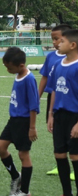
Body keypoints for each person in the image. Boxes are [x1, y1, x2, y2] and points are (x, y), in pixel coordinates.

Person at [0, 47, 39, 196]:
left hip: (24, 121)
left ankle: (25, 191)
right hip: (13, 120)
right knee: (0, 148)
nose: (8, 70)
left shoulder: (28, 79)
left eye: (10, 68)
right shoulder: (18, 75)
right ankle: (16, 176)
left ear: (21, 65)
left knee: (23, 154)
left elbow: (34, 105)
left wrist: (32, 127)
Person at [46, 29, 78, 196]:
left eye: (62, 41)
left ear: (72, 45)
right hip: (59, 116)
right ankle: (67, 195)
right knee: (59, 154)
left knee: (75, 155)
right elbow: (54, 91)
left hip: (75, 117)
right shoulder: (59, 65)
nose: (58, 43)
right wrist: (51, 114)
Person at [39, 24, 71, 176]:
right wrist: (37, 97)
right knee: (56, 130)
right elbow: (45, 78)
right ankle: (60, 164)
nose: (54, 42)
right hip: (54, 98)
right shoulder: (52, 57)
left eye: (57, 39)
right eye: (52, 39)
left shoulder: (72, 58)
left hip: (70, 100)